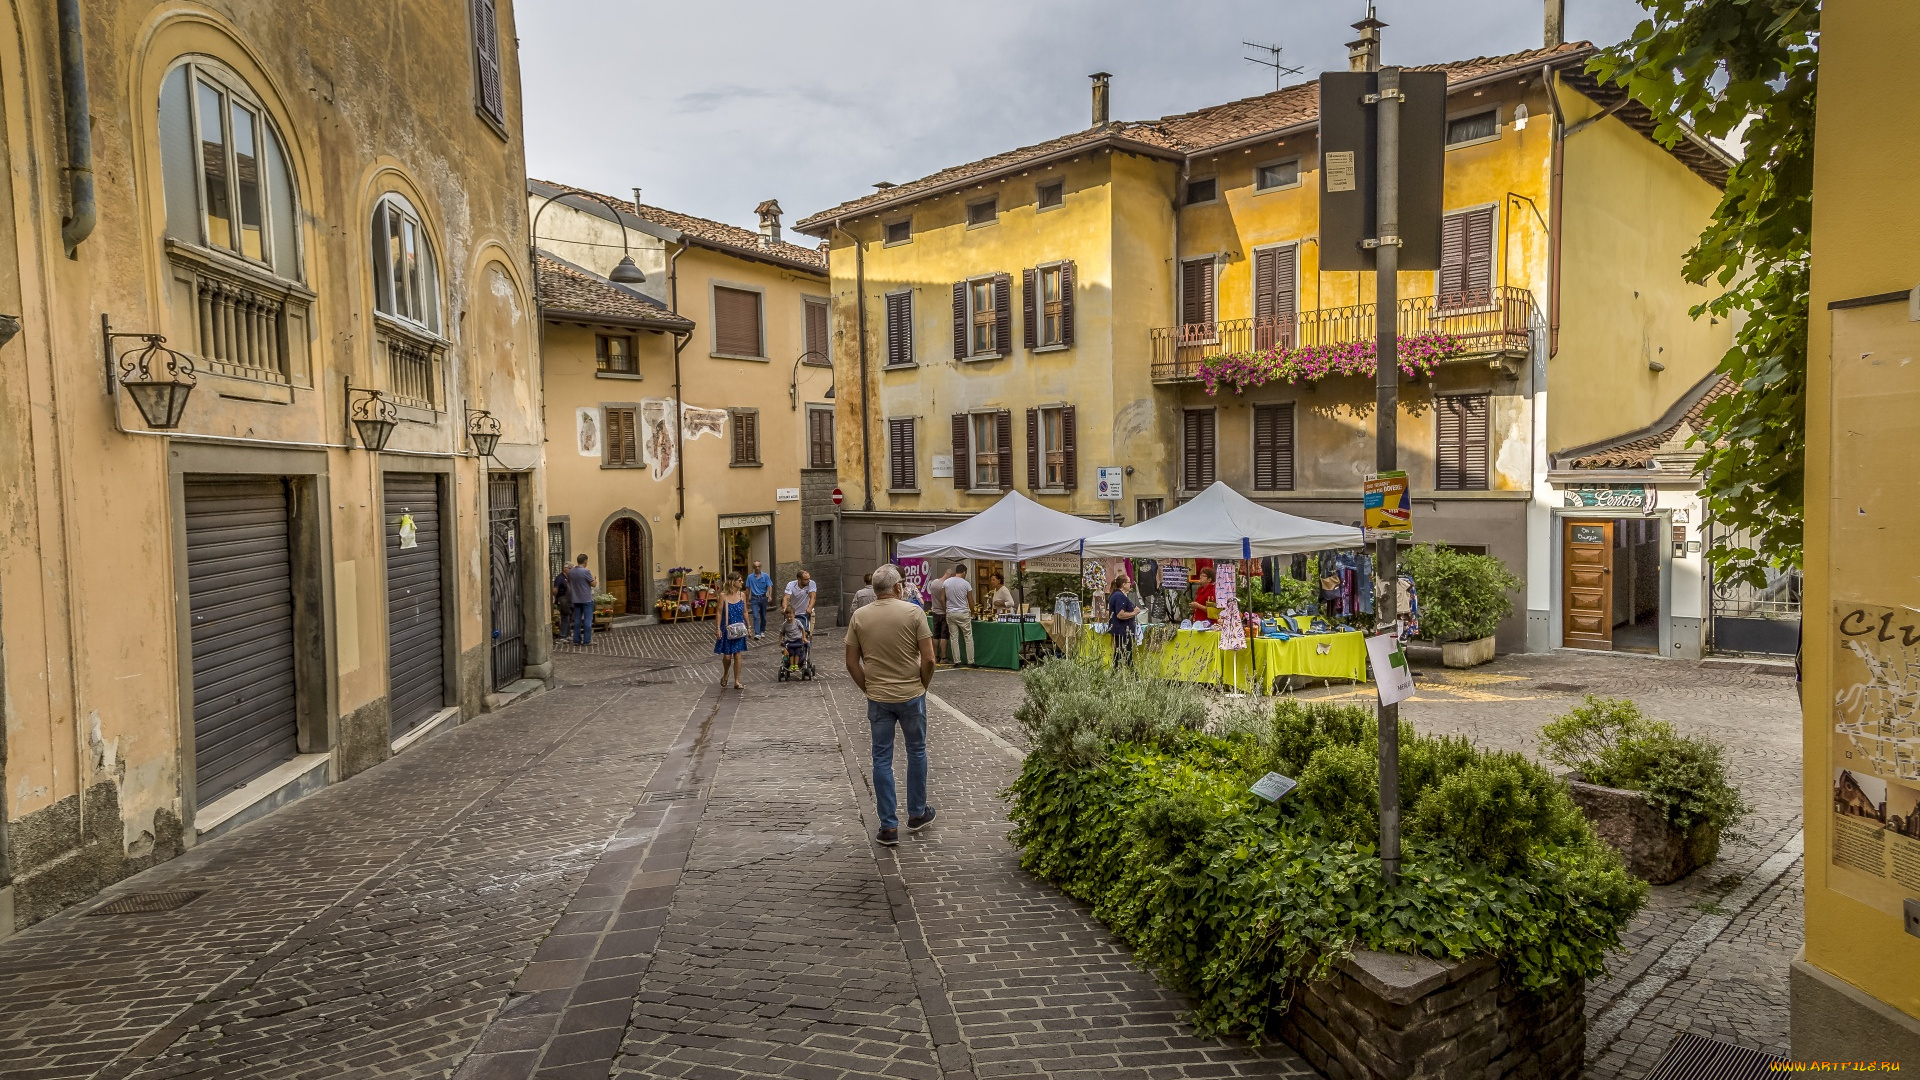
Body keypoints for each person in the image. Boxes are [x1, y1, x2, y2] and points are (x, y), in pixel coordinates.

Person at [845, 564, 937, 846]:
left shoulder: (860, 616)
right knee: (916, 752)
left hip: (879, 697)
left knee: (881, 758)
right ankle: (917, 812)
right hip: (911, 693)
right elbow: (930, 659)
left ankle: (888, 826)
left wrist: (868, 688)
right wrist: (923, 684)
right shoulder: (913, 612)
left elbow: (851, 662)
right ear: (898, 587)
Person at [712, 573, 748, 688]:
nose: (742, 582)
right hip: (727, 628)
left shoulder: (742, 595)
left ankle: (737, 681)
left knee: (737, 655)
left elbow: (745, 611)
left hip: (739, 629)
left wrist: (749, 626)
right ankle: (726, 673)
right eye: (740, 580)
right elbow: (719, 612)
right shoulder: (723, 596)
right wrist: (718, 628)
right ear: (733, 582)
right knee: (727, 656)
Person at [943, 563, 975, 667]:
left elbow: (942, 598)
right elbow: (970, 601)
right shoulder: (966, 584)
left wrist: (946, 609)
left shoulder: (946, 582)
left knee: (954, 638)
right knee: (968, 637)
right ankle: (971, 661)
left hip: (950, 613)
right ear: (964, 572)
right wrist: (973, 612)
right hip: (963, 613)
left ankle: (957, 661)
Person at [565, 554, 597, 645]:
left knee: (577, 620)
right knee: (587, 620)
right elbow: (593, 584)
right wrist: (595, 580)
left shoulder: (571, 572)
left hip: (576, 598)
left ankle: (576, 640)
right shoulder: (586, 572)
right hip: (586, 598)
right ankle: (587, 640)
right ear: (585, 561)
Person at [1108, 574, 1139, 669]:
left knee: (1119, 654)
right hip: (1122, 631)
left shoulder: (1116, 595)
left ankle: (1116, 673)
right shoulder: (1120, 596)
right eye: (1130, 582)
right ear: (1124, 584)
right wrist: (1134, 612)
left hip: (1120, 630)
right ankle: (1133, 676)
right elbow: (1120, 614)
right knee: (1126, 654)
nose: (1131, 584)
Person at [925, 570, 950, 665]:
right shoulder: (945, 585)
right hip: (943, 612)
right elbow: (943, 599)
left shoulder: (934, 582)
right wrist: (946, 609)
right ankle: (943, 657)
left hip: (934, 611)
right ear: (950, 575)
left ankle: (935, 656)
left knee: (936, 635)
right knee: (944, 636)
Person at [783, 569, 818, 634]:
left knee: (806, 632)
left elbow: (813, 597)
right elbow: (786, 598)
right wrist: (785, 608)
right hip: (794, 613)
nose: (808, 581)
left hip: (807, 613)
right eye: (805, 579)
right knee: (792, 632)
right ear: (799, 579)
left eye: (809, 579)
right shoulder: (791, 585)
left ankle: (807, 641)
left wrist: (809, 608)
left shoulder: (811, 583)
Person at [745, 560, 773, 640]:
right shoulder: (750, 577)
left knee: (763, 616)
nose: (757, 568)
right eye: (755, 567)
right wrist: (747, 599)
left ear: (761, 567)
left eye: (758, 566)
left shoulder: (765, 576)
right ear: (753, 568)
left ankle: (762, 631)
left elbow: (770, 586)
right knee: (756, 616)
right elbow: (747, 588)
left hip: (763, 597)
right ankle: (757, 633)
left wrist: (770, 595)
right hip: (754, 598)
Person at [552, 564, 573, 640]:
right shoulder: (560, 578)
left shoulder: (567, 578)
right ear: (565, 569)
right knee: (565, 617)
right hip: (562, 599)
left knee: (568, 617)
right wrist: (557, 598)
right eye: (570, 569)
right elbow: (555, 590)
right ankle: (563, 635)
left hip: (568, 600)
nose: (571, 570)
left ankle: (567, 635)